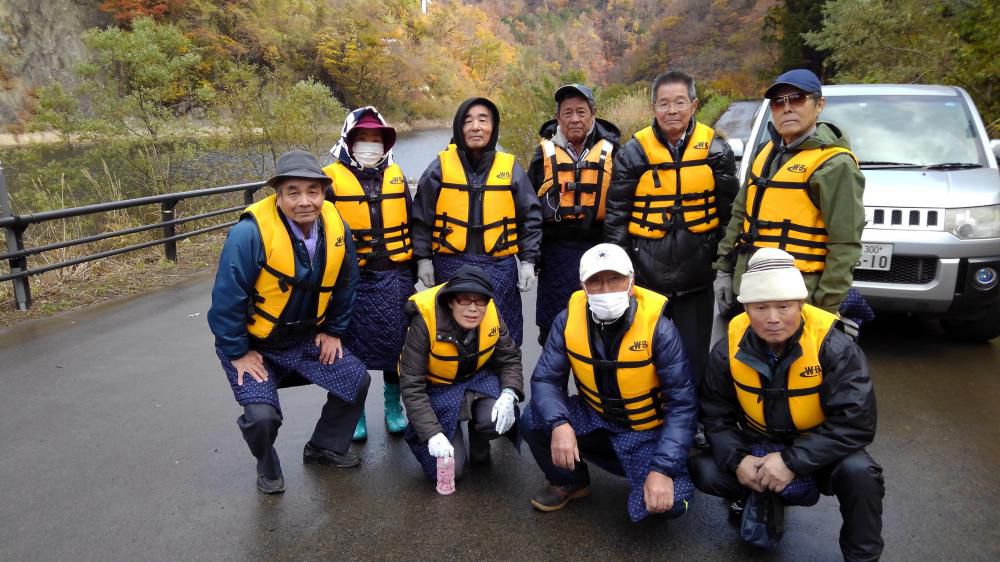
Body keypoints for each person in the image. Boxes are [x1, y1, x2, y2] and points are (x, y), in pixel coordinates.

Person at [691, 247, 883, 560]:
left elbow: (857, 423)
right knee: (704, 468)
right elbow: (715, 415)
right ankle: (754, 495)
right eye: (760, 307)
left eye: (784, 306)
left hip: (816, 448)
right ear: (746, 308)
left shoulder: (834, 347)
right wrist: (738, 460)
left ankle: (862, 557)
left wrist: (791, 461)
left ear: (801, 304)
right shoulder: (727, 349)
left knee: (861, 473)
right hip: (757, 442)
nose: (773, 318)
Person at [208, 150, 370, 495]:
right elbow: (226, 299)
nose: (304, 201)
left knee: (356, 379)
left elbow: (347, 282)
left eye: (313, 191)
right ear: (278, 195)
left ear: (324, 193)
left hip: (305, 338)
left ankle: (324, 446)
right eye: (293, 192)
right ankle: (266, 463)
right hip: (256, 346)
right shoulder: (249, 234)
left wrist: (333, 331)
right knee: (262, 418)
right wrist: (238, 352)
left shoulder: (335, 224)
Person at [604, 70, 738, 447]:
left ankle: (692, 424)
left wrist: (725, 269)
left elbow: (730, 214)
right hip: (648, 277)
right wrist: (620, 273)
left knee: (694, 356)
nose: (672, 110)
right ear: (654, 108)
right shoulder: (633, 152)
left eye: (680, 102)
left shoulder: (716, 151)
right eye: (664, 103)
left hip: (697, 276)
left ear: (694, 105)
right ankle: (649, 419)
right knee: (647, 354)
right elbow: (616, 216)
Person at [519, 243, 697, 522]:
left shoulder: (661, 330)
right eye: (596, 282)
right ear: (583, 287)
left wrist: (662, 469)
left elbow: (682, 406)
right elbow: (545, 379)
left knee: (670, 504)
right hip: (595, 417)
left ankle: (654, 471)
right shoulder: (566, 321)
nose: (606, 290)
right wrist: (559, 424)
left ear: (631, 282)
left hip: (645, 431)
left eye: (615, 279)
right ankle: (570, 480)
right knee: (533, 418)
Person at [714, 69, 866, 320]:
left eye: (796, 99)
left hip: (799, 298)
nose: (786, 108)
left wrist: (826, 309)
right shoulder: (764, 153)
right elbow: (740, 215)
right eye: (778, 102)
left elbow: (844, 244)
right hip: (751, 290)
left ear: (819, 105)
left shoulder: (835, 165)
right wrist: (723, 270)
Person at [411, 97, 542, 346]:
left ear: (493, 127)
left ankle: (504, 373)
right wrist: (423, 259)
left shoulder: (510, 168)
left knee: (502, 337)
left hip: (499, 267)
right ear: (459, 127)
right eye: (468, 121)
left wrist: (528, 260)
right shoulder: (439, 167)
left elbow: (530, 217)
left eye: (483, 120)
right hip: (450, 266)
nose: (475, 127)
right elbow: (421, 217)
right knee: (450, 338)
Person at [323, 107, 414, 442]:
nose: (370, 145)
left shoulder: (396, 175)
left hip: (395, 277)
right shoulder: (329, 179)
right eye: (362, 138)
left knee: (397, 347)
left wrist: (421, 265)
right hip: (350, 281)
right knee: (348, 350)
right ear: (349, 142)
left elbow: (411, 220)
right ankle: (354, 412)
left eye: (376, 139)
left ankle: (393, 406)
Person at [398, 265, 524, 484]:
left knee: (497, 418)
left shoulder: (491, 313)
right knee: (453, 470)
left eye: (480, 301)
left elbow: (509, 359)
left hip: (477, 379)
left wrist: (510, 393)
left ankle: (479, 441)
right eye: (464, 300)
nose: (473, 308)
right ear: (450, 301)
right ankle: (445, 431)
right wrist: (432, 434)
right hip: (437, 387)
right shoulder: (424, 323)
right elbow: (411, 385)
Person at [527, 83, 622, 345]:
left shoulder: (615, 151)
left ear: (593, 113)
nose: (575, 119)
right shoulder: (543, 154)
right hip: (555, 254)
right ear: (557, 118)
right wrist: (531, 257)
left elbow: (623, 205)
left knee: (601, 326)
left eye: (581, 112)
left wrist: (620, 250)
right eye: (567, 113)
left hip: (601, 249)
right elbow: (529, 209)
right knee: (554, 331)